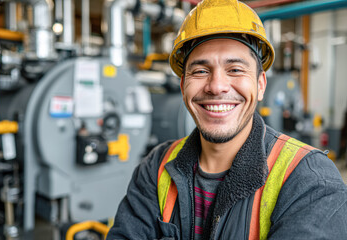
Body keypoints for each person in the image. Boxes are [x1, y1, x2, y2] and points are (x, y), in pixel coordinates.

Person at [107, 0, 347, 239]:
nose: (216, 86)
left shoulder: (310, 179)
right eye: (200, 71)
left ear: (260, 85)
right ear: (182, 86)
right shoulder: (156, 167)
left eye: (235, 69)